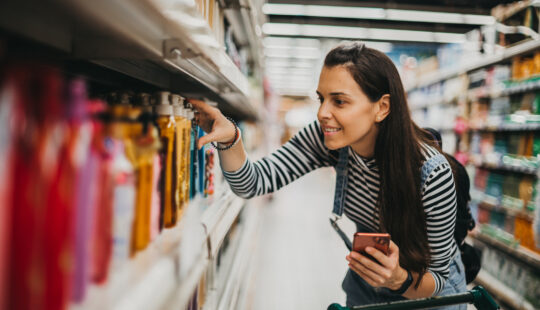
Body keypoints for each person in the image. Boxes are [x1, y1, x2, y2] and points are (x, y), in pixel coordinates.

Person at [189, 42, 467, 309]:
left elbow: (438, 279)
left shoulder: (431, 173)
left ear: (382, 107)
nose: (323, 113)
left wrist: (397, 279)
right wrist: (230, 138)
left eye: (340, 101)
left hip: (427, 295)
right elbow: (253, 182)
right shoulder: (325, 137)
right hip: (368, 284)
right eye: (321, 99)